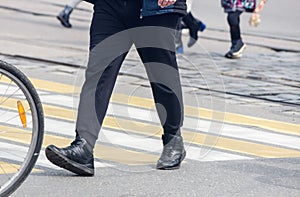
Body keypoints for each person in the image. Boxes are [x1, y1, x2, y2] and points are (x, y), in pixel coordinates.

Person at [45, 0, 187, 176]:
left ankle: (173, 138)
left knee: (161, 75)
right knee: (98, 74)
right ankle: (84, 146)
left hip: (156, 10)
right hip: (110, 6)